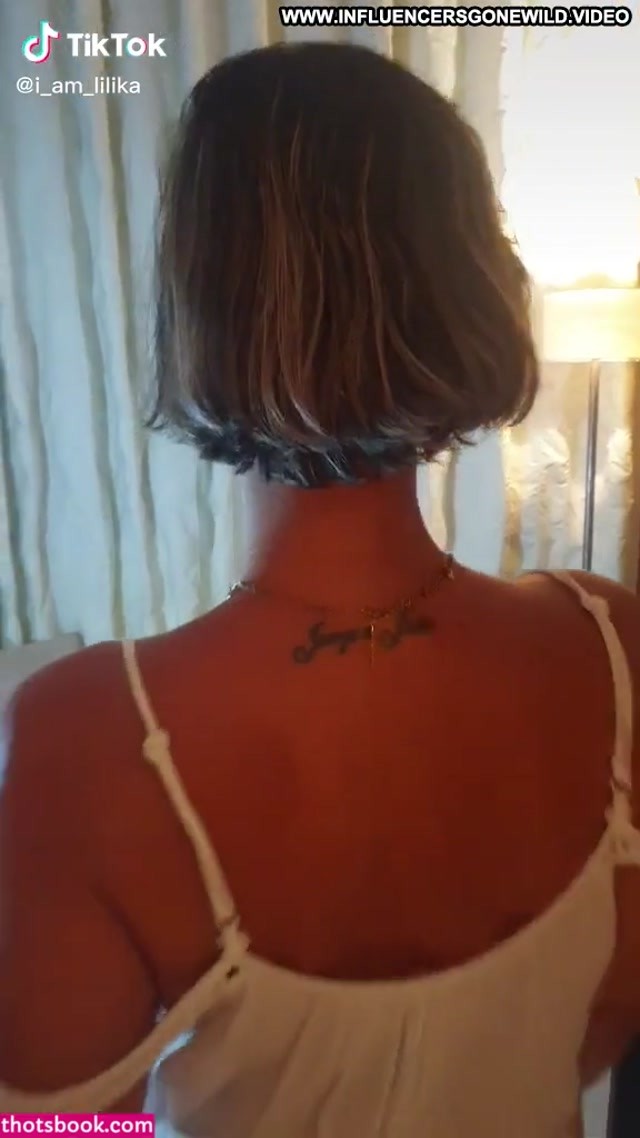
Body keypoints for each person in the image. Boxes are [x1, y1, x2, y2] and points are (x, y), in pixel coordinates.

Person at [1, 40, 639, 1138]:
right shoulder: (613, 645)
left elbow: (58, 1129)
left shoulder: (91, 740)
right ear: (467, 288)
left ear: (201, 306)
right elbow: (600, 1026)